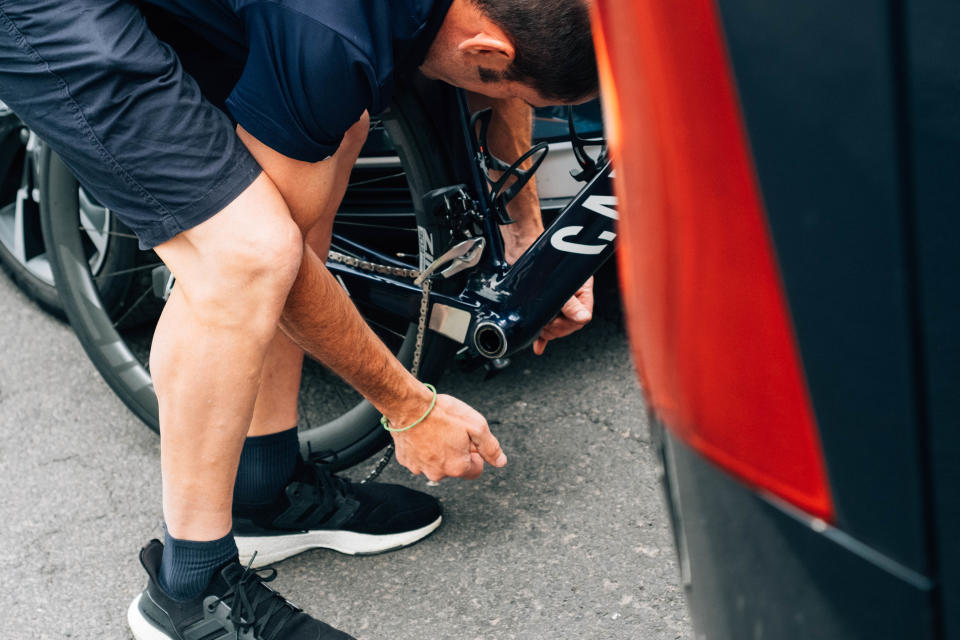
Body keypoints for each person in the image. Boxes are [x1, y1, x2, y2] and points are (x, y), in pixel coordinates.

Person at [0, 0, 598, 637]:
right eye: (491, 81)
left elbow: (517, 56)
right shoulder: (333, 33)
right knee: (247, 255)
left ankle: (263, 490)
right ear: (485, 52)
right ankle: (187, 592)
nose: (490, 92)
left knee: (333, 137)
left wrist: (528, 231)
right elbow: (281, 272)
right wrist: (410, 407)